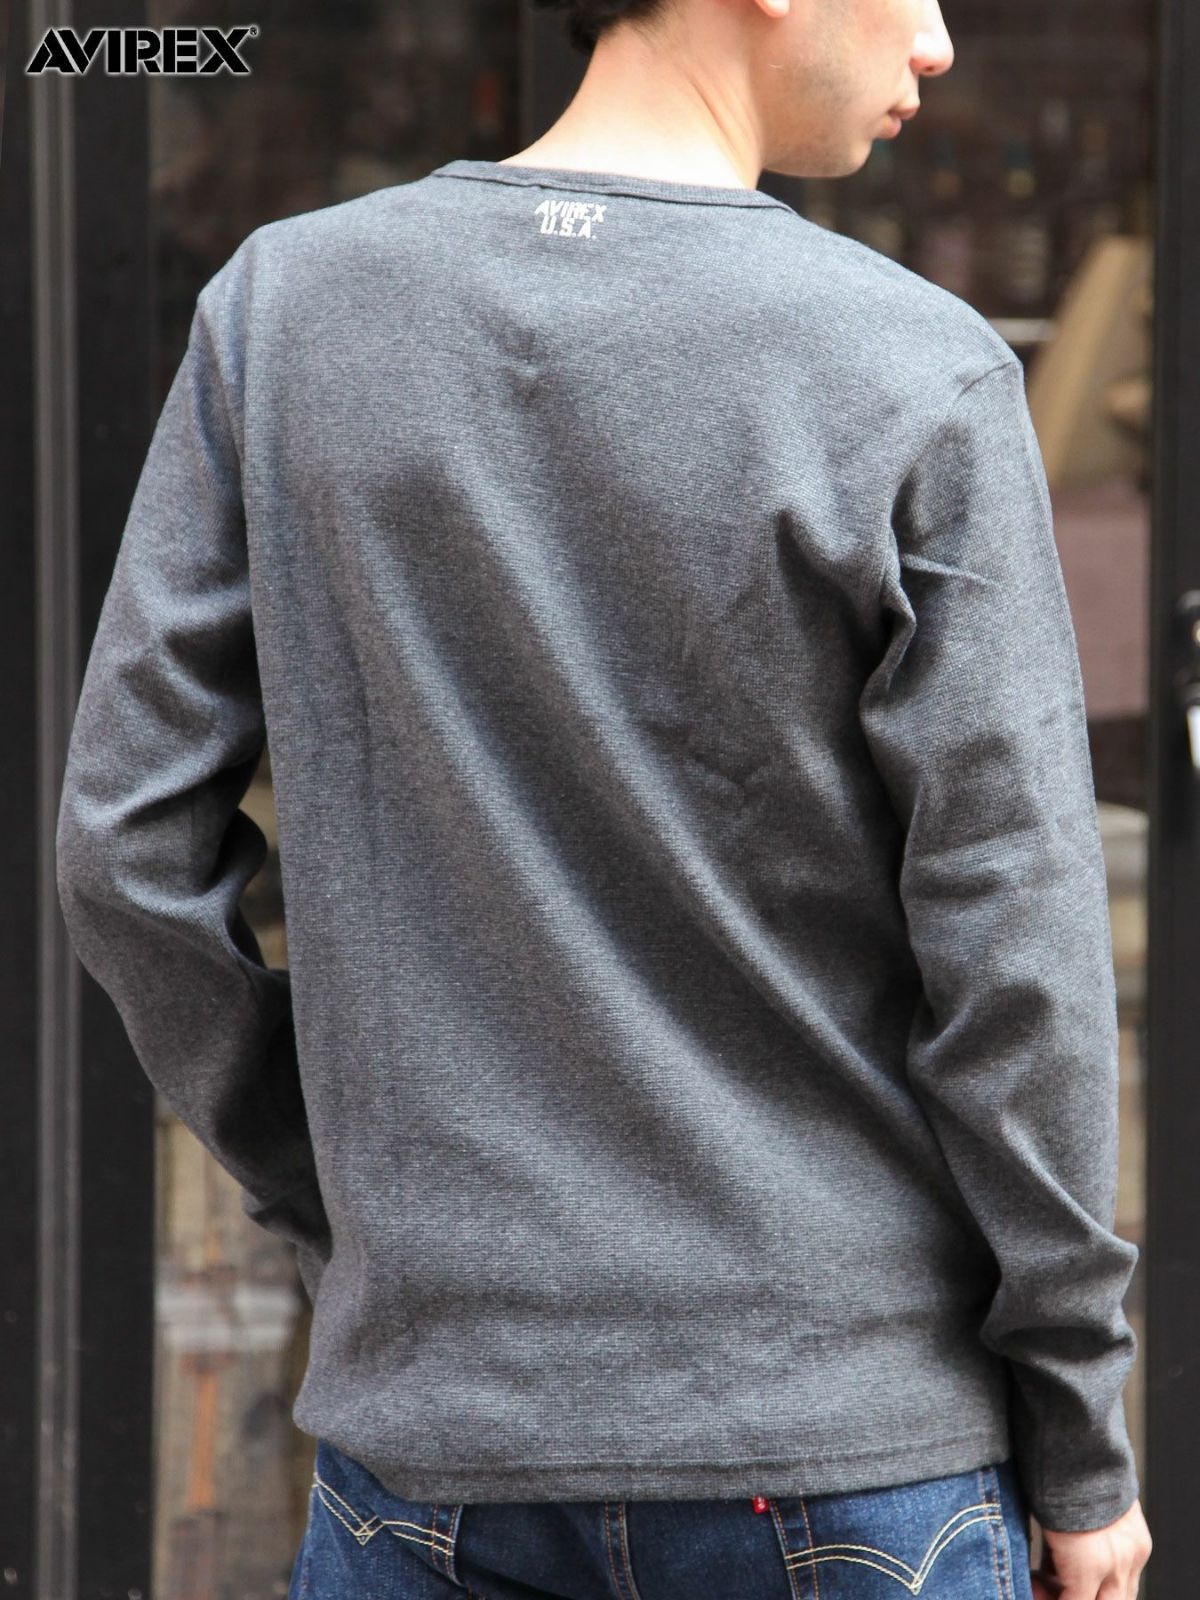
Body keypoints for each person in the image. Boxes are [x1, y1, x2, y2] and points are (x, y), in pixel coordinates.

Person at [54, 0, 1154, 1595]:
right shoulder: (911, 366)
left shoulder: (285, 312)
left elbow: (124, 853)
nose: (936, 42)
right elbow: (1018, 954)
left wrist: (359, 1219)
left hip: (434, 1435)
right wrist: (1080, 1430)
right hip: (840, 1448)